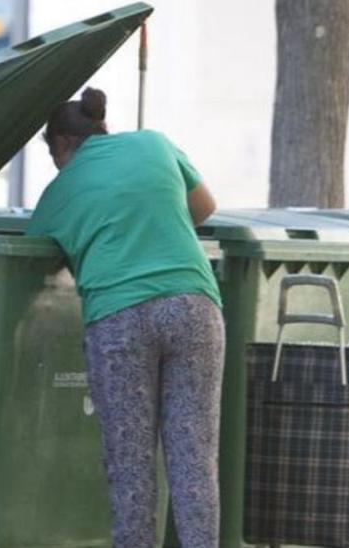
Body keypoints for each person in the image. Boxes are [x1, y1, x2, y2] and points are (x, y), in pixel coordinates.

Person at [27, 87, 225, 548]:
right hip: (193, 306)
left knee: (131, 463)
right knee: (194, 456)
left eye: (52, 153)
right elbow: (204, 208)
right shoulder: (154, 143)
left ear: (61, 144)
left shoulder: (58, 192)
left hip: (120, 319)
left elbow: (36, 256)